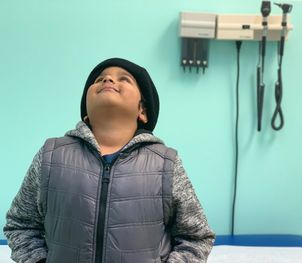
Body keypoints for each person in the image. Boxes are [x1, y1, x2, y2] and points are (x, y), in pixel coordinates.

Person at [3, 58, 215, 263]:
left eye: (124, 79)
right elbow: (20, 224)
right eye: (99, 79)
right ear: (86, 111)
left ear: (142, 110)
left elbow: (196, 237)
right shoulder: (51, 156)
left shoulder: (165, 164)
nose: (108, 80)